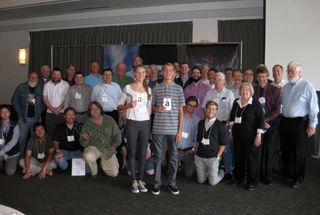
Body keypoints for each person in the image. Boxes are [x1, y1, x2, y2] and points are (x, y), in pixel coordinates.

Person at [280, 61, 319, 188]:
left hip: (299, 123)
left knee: (299, 151)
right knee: (286, 150)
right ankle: (288, 174)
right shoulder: (285, 87)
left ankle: (299, 177)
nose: (290, 73)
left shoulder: (307, 86)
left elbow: (314, 108)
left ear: (299, 73)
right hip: (285, 122)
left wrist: (312, 124)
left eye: (293, 71)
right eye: (288, 71)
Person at [151, 63, 185, 195]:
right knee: (158, 157)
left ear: (174, 72)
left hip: (173, 129)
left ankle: (172, 183)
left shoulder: (179, 89)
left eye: (170, 70)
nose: (168, 72)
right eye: (165, 70)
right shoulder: (156, 87)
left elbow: (181, 112)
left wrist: (180, 130)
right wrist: (156, 108)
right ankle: (156, 183)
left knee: (173, 157)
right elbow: (151, 106)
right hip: (158, 128)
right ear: (162, 72)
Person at [118, 65, 152, 193]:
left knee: (143, 153)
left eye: (143, 73)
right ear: (134, 74)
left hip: (145, 124)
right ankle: (133, 180)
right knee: (132, 152)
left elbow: (149, 110)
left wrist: (149, 125)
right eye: (138, 73)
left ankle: (140, 180)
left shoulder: (149, 90)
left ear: (145, 74)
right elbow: (119, 106)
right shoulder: (127, 88)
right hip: (132, 124)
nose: (140, 75)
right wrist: (129, 105)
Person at [229, 82, 264, 190]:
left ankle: (252, 181)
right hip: (237, 136)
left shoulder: (255, 103)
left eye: (247, 90)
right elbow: (231, 118)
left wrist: (258, 135)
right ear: (240, 91)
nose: (244, 92)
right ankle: (239, 177)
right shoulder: (236, 102)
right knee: (238, 157)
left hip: (251, 137)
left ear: (251, 92)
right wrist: (230, 131)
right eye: (243, 89)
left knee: (252, 159)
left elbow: (260, 120)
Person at [202, 72, 234, 178]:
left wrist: (228, 125)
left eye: (220, 80)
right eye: (215, 80)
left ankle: (228, 172)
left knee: (225, 149)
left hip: (224, 124)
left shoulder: (229, 93)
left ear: (224, 81)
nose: (217, 82)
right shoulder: (209, 93)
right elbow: (204, 109)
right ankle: (214, 170)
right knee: (213, 147)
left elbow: (232, 111)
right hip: (211, 124)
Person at [253, 65, 281, 185]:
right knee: (258, 149)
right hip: (258, 124)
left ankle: (268, 175)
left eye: (264, 76)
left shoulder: (275, 90)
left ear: (267, 77)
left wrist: (267, 120)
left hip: (271, 124)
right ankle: (258, 173)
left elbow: (277, 109)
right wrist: (261, 121)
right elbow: (252, 108)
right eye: (259, 77)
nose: (262, 79)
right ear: (256, 78)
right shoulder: (254, 90)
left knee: (269, 149)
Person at [80, 101, 121, 178]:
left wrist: (114, 145)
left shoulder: (109, 119)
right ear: (89, 111)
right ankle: (94, 172)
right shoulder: (87, 123)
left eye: (96, 108)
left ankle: (102, 164)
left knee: (114, 173)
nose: (94, 111)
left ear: (100, 109)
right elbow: (83, 143)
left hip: (108, 148)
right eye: (92, 109)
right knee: (88, 156)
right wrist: (84, 139)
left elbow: (117, 135)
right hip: (93, 147)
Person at [11, 71, 44, 157]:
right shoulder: (21, 87)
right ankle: (21, 157)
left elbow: (44, 102)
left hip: (36, 118)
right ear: (28, 77)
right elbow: (14, 101)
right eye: (31, 77)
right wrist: (19, 112)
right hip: (23, 118)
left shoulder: (41, 87)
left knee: (36, 138)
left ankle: (35, 156)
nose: (33, 78)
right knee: (22, 138)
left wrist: (40, 111)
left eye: (35, 77)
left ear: (37, 79)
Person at [195, 101, 226, 186]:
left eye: (213, 109)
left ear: (216, 111)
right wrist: (195, 151)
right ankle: (209, 172)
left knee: (212, 183)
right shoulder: (200, 123)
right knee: (200, 181)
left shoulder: (220, 125)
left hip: (212, 158)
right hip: (200, 157)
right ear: (205, 110)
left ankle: (222, 171)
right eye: (208, 108)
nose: (210, 111)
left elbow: (223, 144)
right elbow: (198, 139)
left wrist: (218, 157)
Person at [176, 96, 199, 178]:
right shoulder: (178, 117)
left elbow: (197, 137)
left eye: (194, 106)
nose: (191, 107)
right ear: (185, 105)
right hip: (176, 150)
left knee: (189, 174)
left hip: (188, 151)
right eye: (190, 105)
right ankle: (178, 165)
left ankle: (182, 165)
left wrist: (193, 149)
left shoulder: (197, 121)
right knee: (172, 172)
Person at [43, 67, 69, 137]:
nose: (56, 76)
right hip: (49, 114)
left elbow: (67, 99)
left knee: (62, 134)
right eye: (54, 74)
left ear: (61, 75)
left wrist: (58, 109)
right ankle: (51, 148)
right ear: (51, 74)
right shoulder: (47, 85)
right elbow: (45, 99)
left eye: (58, 74)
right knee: (50, 133)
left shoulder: (66, 84)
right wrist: (52, 109)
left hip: (62, 113)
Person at [0, 105, 20, 175]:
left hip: (12, 153)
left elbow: (13, 142)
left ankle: (12, 161)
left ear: (10, 113)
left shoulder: (15, 125)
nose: (5, 114)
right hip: (1, 151)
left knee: (10, 172)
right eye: (2, 112)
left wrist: (2, 151)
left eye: (7, 112)